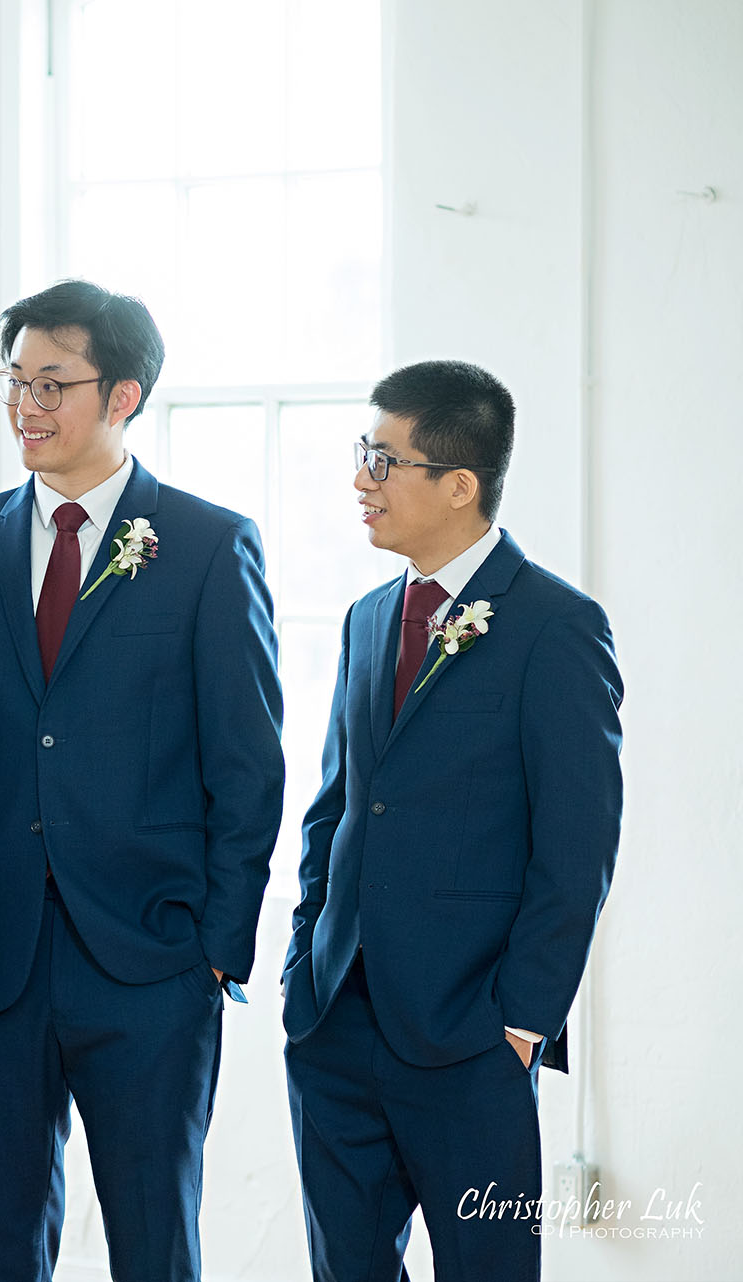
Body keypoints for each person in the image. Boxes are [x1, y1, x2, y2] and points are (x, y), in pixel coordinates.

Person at [0, 279, 285, 1281]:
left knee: (153, 1239)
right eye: (15, 379)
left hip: (154, 966)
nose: (26, 406)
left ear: (123, 395)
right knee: (1, 1240)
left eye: (54, 382)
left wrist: (216, 947)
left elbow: (250, 765)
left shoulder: (211, 548)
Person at [281, 360, 623, 1280]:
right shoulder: (365, 618)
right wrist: (304, 964)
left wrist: (521, 1022)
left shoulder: (556, 627)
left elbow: (577, 847)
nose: (361, 480)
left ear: (459, 484)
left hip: (472, 1040)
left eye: (381, 459)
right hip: (336, 1029)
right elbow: (336, 810)